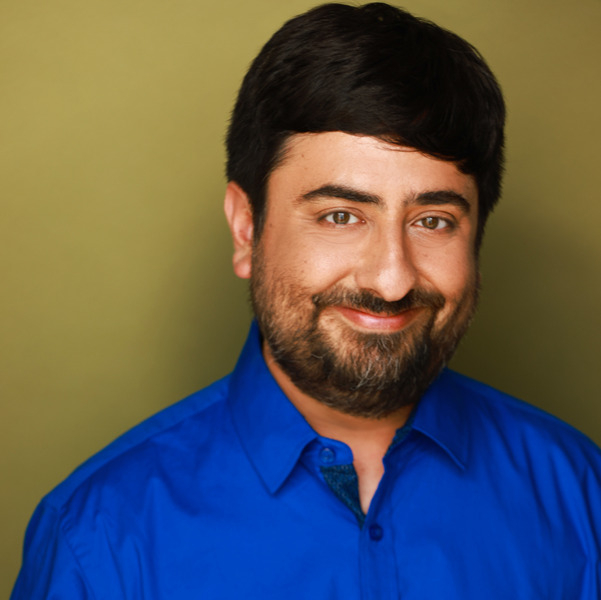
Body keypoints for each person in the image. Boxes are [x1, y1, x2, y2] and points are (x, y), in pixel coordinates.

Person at [11, 3, 601, 598]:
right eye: (340, 216)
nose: (391, 281)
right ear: (246, 228)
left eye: (432, 221)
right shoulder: (99, 536)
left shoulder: (582, 497)